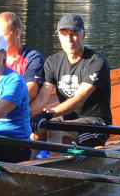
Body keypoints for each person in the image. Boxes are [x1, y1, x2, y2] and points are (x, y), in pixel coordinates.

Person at [42, 12, 113, 145]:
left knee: (56, 130)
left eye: (73, 33)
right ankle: (27, 162)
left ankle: (54, 163)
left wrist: (49, 113)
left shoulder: (97, 62)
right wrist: (31, 115)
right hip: (67, 119)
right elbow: (42, 96)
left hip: (96, 122)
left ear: (83, 35)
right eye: (64, 34)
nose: (69, 39)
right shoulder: (52, 62)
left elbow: (78, 100)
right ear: (58, 37)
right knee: (37, 127)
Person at [0, 10, 50, 113]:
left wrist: (0, 109)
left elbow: (31, 91)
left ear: (17, 33)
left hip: (16, 113)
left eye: (1, 36)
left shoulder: (33, 58)